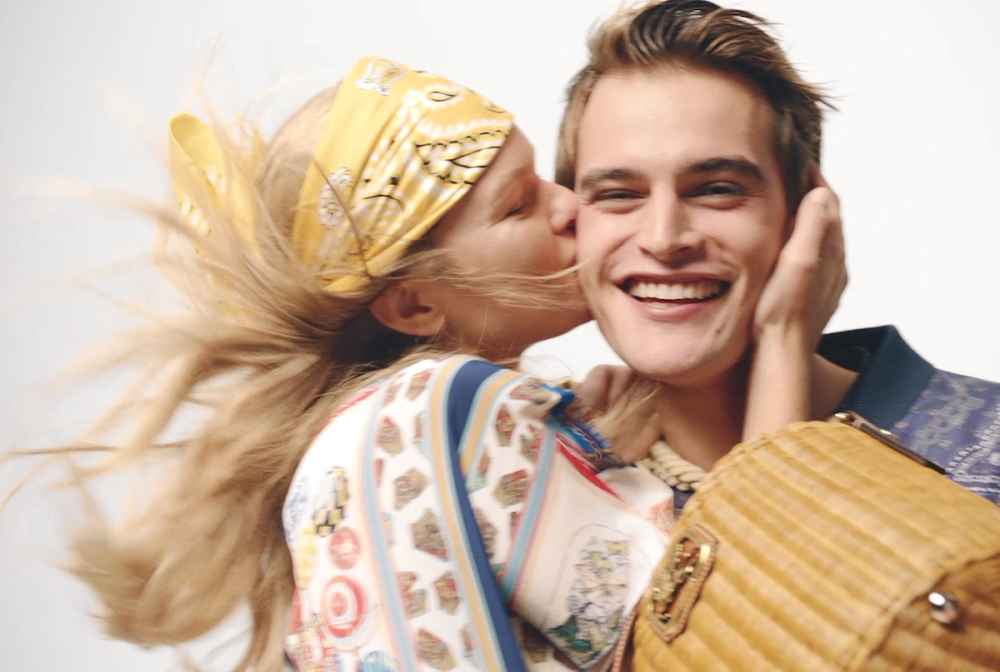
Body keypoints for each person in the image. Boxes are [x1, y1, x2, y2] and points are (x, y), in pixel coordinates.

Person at [42, 53, 841, 671]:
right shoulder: (441, 411)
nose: (572, 207)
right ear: (414, 306)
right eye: (520, 205)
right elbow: (761, 637)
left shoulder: (414, 433)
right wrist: (782, 342)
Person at [556, 0, 1000, 508]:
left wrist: (783, 337)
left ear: (807, 211)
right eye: (618, 194)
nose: (663, 238)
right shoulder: (543, 470)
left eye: (716, 189)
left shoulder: (988, 449)